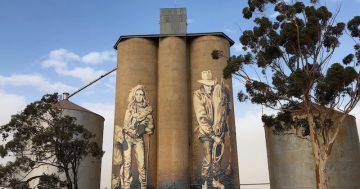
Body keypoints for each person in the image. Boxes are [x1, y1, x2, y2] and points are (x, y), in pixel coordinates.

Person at [193, 70, 229, 189]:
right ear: (203, 85)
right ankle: (204, 183)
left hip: (217, 130)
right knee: (208, 158)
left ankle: (215, 181)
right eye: (207, 85)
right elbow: (201, 117)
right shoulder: (198, 95)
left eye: (211, 85)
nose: (210, 88)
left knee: (217, 158)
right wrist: (213, 136)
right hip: (206, 132)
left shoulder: (215, 93)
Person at [121, 84, 154, 189]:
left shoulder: (148, 110)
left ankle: (143, 185)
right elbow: (125, 125)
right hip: (128, 138)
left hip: (138, 139)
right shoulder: (129, 109)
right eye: (137, 94)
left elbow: (150, 126)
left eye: (141, 94)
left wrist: (149, 129)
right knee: (127, 163)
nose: (139, 96)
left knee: (142, 164)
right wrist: (130, 132)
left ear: (144, 96)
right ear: (134, 96)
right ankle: (126, 185)